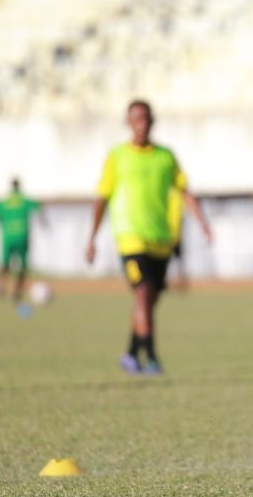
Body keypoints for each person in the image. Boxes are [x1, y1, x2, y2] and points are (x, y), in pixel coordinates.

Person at [85, 99, 213, 375]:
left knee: (149, 300)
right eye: (136, 117)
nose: (141, 122)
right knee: (143, 293)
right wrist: (91, 238)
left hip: (160, 240)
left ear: (152, 121)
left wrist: (203, 222)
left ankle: (131, 354)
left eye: (145, 117)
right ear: (128, 122)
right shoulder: (117, 156)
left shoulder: (165, 156)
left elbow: (184, 190)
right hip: (130, 238)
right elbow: (102, 198)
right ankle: (152, 357)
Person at [0, 177, 45, 304]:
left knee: (5, 263)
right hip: (22, 235)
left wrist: (2, 221)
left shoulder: (5, 201)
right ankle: (17, 291)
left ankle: (0, 286)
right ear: (19, 186)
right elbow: (39, 206)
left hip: (8, 236)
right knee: (22, 265)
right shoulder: (24, 200)